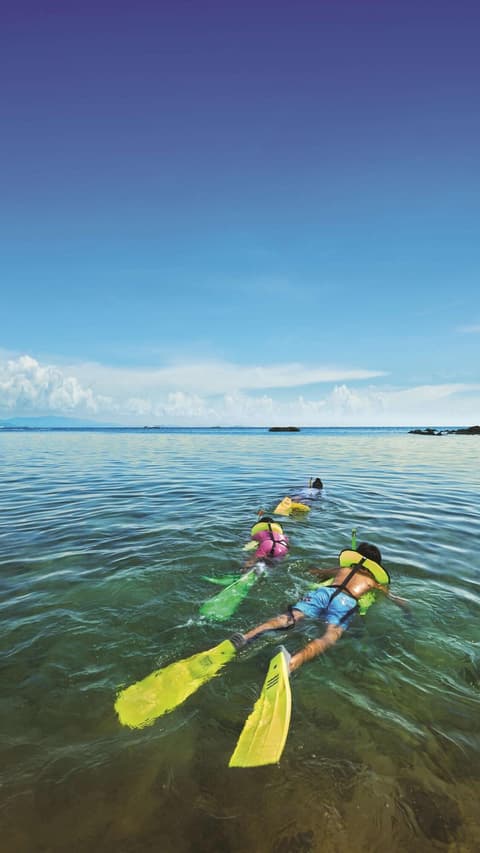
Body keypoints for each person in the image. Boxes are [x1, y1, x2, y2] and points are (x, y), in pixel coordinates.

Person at [232, 542, 409, 672]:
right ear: (375, 566)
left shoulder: (342, 569)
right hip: (346, 602)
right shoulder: (372, 581)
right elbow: (392, 597)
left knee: (289, 617)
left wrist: (311, 568)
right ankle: (293, 662)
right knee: (330, 636)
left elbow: (318, 573)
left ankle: (245, 637)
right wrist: (406, 608)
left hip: (323, 593)